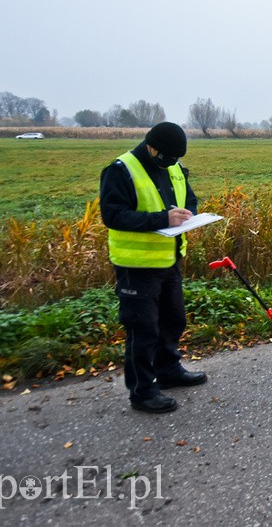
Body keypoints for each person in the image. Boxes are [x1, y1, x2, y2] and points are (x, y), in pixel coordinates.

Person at [100, 122, 207, 413]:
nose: (172, 163)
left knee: (173, 320)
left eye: (176, 158)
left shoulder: (172, 166)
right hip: (136, 265)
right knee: (143, 330)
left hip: (169, 259)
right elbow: (113, 215)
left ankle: (168, 370)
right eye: (167, 157)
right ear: (151, 146)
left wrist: (189, 216)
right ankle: (143, 391)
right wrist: (162, 219)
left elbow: (190, 199)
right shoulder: (121, 170)